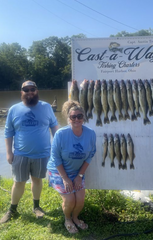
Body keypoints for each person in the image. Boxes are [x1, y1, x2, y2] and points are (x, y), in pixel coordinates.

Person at [0, 80, 59, 224]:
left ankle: (36, 206)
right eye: (26, 90)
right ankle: (12, 209)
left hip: (42, 154)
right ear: (22, 92)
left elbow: (54, 127)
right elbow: (8, 132)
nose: (30, 92)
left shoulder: (46, 107)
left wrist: (57, 148)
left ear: (37, 91)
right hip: (21, 154)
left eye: (32, 89)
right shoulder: (14, 109)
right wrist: (9, 153)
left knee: (37, 180)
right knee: (18, 182)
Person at [47, 100, 96, 234]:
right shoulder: (61, 134)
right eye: (73, 117)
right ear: (69, 119)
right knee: (69, 199)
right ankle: (67, 219)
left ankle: (75, 218)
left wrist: (79, 176)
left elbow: (91, 154)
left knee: (80, 199)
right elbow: (55, 157)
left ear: (84, 117)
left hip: (77, 171)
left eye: (79, 116)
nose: (76, 119)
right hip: (58, 171)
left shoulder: (91, 133)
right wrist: (65, 178)